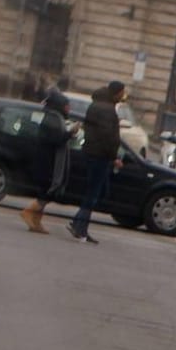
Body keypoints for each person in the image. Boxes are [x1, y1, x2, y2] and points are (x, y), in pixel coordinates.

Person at [68, 81, 127, 243]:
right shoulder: (107, 110)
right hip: (100, 155)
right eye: (122, 92)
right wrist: (114, 157)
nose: (124, 95)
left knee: (96, 191)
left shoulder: (97, 105)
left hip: (92, 152)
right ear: (116, 93)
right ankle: (80, 227)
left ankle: (79, 224)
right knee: (94, 193)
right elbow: (108, 136)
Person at [19, 88, 75, 233]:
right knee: (47, 191)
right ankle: (29, 212)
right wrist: (70, 133)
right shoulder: (53, 119)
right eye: (67, 106)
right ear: (60, 105)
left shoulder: (54, 117)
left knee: (45, 191)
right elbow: (56, 139)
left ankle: (36, 222)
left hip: (46, 159)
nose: (69, 109)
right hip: (48, 161)